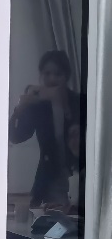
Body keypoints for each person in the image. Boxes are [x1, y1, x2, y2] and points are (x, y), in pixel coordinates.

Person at [9, 50, 83, 207]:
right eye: (47, 74)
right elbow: (16, 137)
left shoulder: (79, 101)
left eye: (58, 74)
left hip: (78, 176)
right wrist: (19, 110)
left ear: (66, 76)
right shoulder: (38, 105)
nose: (52, 79)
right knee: (45, 220)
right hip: (49, 180)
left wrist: (63, 106)